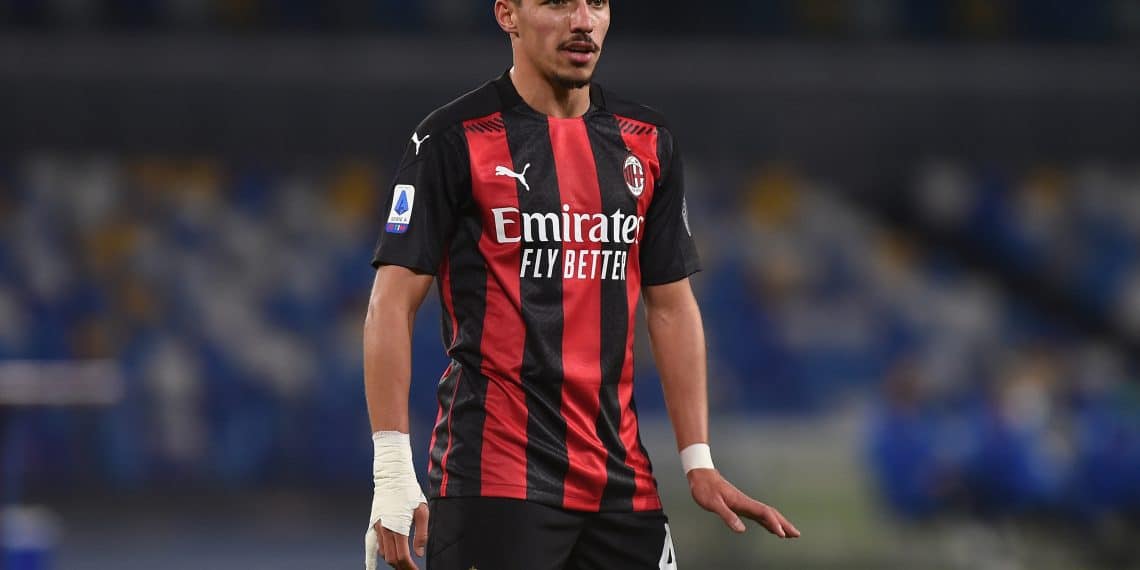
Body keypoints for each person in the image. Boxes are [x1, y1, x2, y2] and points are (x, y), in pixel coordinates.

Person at [363, 1, 800, 568]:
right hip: (497, 476)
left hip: (622, 482)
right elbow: (390, 306)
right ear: (507, 15)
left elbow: (670, 305)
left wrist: (697, 458)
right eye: (557, 2)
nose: (582, 20)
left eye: (596, 2)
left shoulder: (647, 140)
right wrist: (392, 470)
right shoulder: (451, 139)